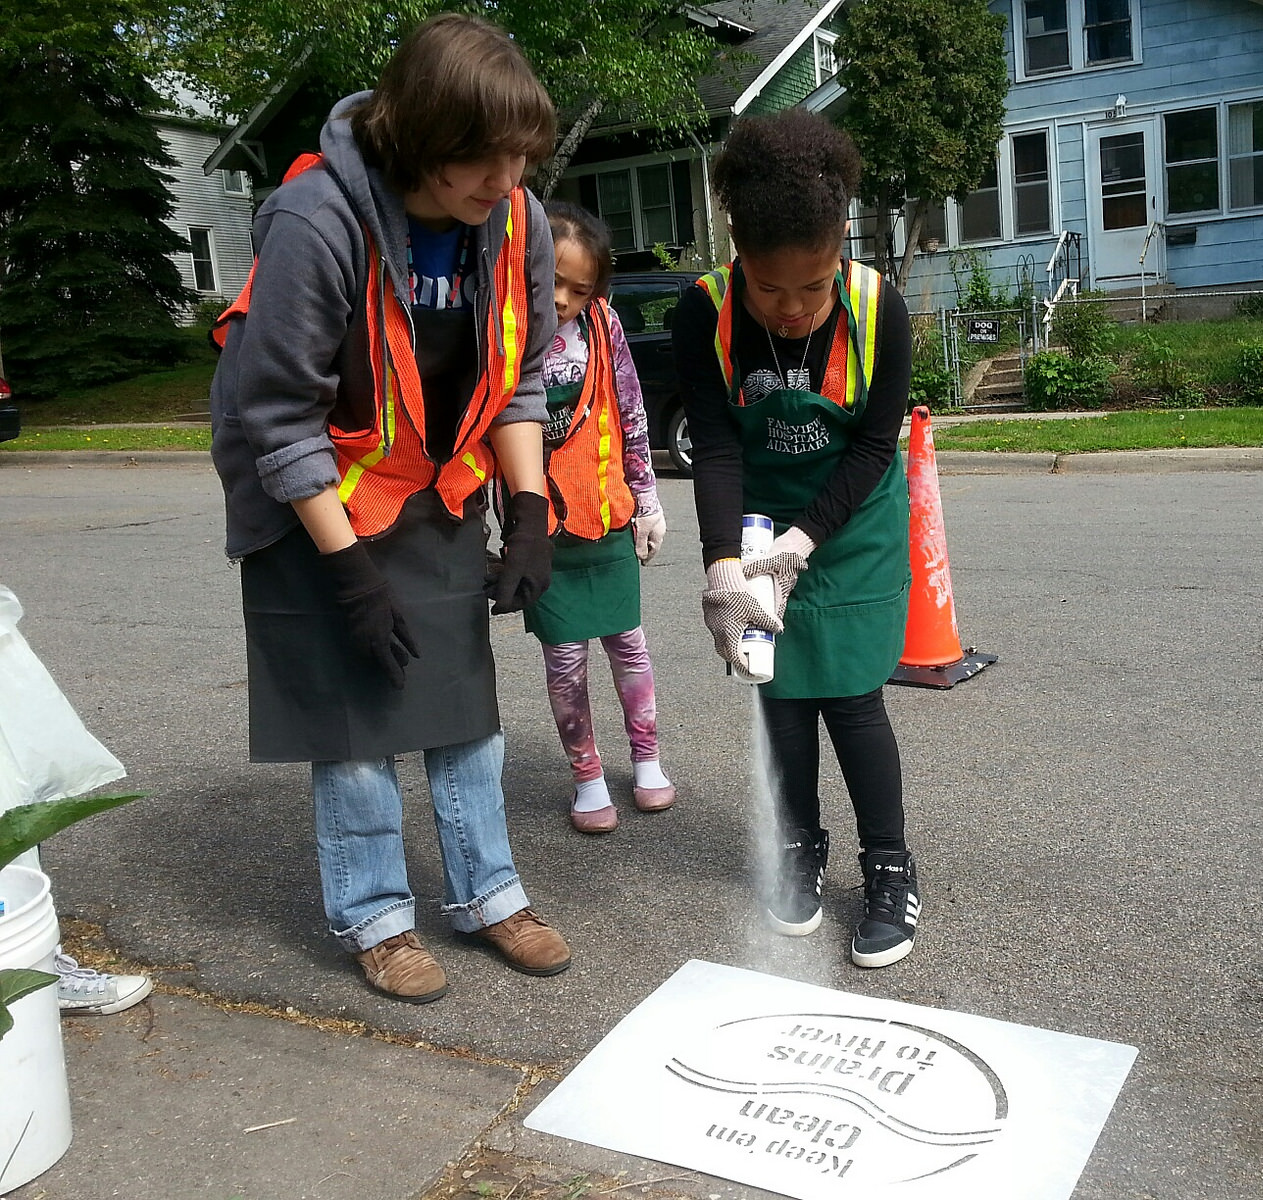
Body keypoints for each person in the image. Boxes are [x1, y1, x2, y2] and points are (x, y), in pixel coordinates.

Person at [208, 13, 569, 1003]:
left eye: (518, 160)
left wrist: (529, 508)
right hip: (313, 497)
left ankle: (489, 894)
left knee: (464, 706)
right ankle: (375, 916)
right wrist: (349, 573)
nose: (505, 182)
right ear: (420, 140)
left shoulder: (516, 219)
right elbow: (276, 417)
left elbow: (520, 377)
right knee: (356, 719)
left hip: (430, 482)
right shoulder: (315, 219)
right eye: (482, 161)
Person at [673, 110, 920, 969]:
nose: (790, 309)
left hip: (852, 524)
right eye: (769, 288)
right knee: (775, 690)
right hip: (757, 513)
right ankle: (797, 846)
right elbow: (719, 441)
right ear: (736, 247)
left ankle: (889, 866)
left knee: (850, 694)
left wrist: (802, 546)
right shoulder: (699, 314)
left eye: (811, 287)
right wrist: (726, 567)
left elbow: (874, 443)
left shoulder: (878, 309)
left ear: (840, 241)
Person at [517, 201, 675, 834]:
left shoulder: (604, 330)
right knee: (564, 659)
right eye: (551, 280)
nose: (561, 299)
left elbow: (632, 417)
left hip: (608, 514)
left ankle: (647, 761)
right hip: (544, 528)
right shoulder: (503, 331)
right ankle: (586, 776)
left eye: (578, 289)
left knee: (629, 646)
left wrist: (649, 501)